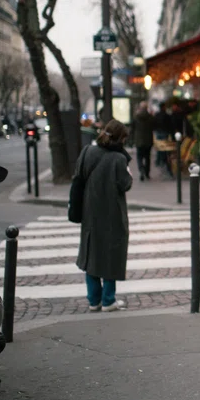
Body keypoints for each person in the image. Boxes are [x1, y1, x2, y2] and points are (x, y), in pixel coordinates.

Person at [75, 120, 133, 313]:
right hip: (112, 214)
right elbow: (125, 184)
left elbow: (78, 178)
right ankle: (108, 299)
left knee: (92, 254)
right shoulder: (118, 159)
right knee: (111, 256)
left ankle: (94, 300)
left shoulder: (87, 152)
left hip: (90, 212)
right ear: (120, 139)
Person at [132, 101, 155, 181]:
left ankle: (141, 170)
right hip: (148, 140)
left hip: (139, 140)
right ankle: (147, 173)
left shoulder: (136, 117)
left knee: (139, 157)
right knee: (147, 157)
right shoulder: (150, 117)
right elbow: (154, 127)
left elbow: (132, 128)